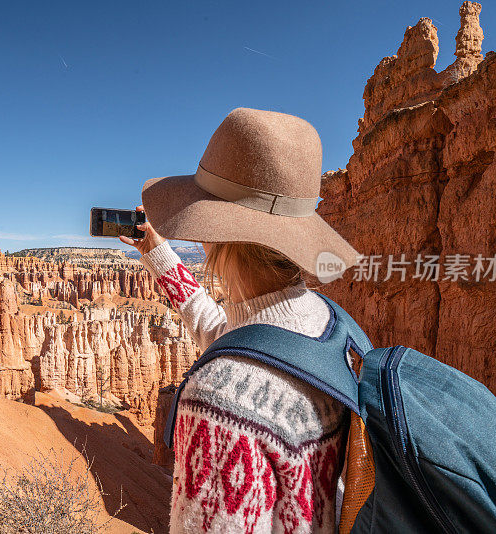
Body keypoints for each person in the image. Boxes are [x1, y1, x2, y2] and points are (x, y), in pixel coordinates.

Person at [120, 108, 359, 533]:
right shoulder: (330, 326)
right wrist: (158, 256)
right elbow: (230, 335)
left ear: (216, 234)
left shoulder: (219, 399)